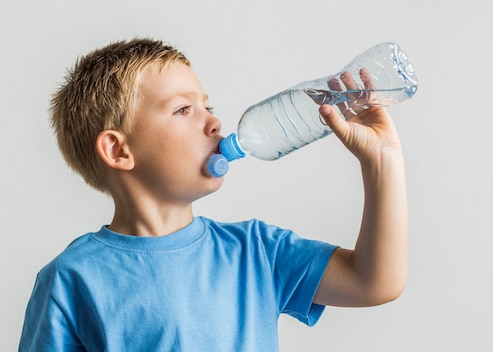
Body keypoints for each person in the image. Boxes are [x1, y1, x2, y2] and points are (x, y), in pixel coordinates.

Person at [18, 38, 408, 351]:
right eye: (183, 110)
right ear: (119, 151)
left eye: (209, 106)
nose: (215, 122)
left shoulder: (256, 252)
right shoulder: (70, 280)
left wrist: (382, 161)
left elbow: (375, 282)